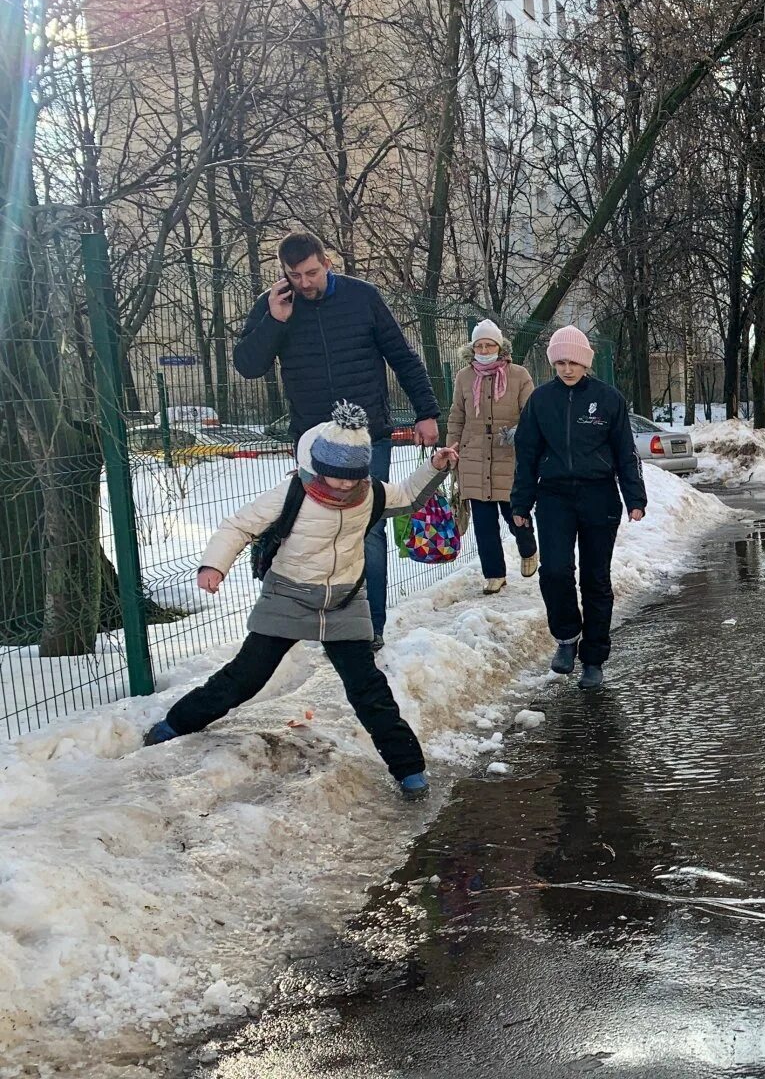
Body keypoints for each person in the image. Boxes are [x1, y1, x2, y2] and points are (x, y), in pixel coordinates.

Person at [142, 402, 459, 801]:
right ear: (318, 465)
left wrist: (435, 466)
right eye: (336, 476)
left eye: (352, 478)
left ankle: (410, 771)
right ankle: (174, 724)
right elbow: (238, 524)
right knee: (246, 677)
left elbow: (410, 496)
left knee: (369, 690)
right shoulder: (292, 492)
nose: (343, 486)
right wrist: (213, 566)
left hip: (345, 600)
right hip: (288, 596)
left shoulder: (371, 493)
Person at [234, 232, 442, 652]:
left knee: (367, 530)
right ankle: (317, 619)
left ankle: (368, 629)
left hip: (368, 439)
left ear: (326, 262)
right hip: (312, 443)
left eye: (311, 272)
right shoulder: (276, 304)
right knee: (311, 531)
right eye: (295, 275)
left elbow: (402, 356)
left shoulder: (363, 297)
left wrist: (427, 412)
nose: (305, 282)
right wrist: (274, 320)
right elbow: (248, 366)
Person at [510, 326, 647, 691]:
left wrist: (635, 498)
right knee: (554, 571)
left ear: (585, 362)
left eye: (573, 362)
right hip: (554, 496)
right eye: (559, 363)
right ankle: (567, 637)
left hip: (599, 496)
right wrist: (521, 502)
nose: (567, 369)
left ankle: (594, 658)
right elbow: (526, 455)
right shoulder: (540, 401)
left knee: (595, 579)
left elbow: (625, 453)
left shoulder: (608, 399)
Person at [447, 319, 538, 595]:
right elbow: (457, 416)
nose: (484, 349)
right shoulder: (464, 377)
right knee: (483, 524)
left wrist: (519, 434)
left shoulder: (519, 375)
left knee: (515, 514)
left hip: (508, 453)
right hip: (473, 454)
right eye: (479, 345)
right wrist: (451, 448)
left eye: (489, 344)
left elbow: (533, 415)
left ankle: (527, 547)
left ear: (500, 347)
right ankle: (494, 574)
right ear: (472, 348)